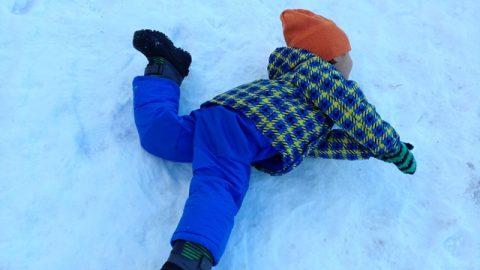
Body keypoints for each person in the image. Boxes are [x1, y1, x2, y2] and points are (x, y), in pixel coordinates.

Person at [131, 9, 417, 270]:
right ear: (334, 58)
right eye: (348, 55)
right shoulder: (324, 77)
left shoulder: (294, 89)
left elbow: (317, 144)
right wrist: (391, 147)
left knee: (160, 134)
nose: (351, 63)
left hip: (222, 116)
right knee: (219, 184)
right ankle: (190, 259)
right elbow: (360, 116)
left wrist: (369, 150)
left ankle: (164, 68)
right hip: (245, 130)